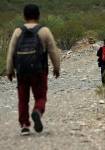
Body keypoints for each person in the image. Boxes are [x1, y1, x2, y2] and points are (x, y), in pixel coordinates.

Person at [6, 4, 60, 135]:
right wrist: (56, 67)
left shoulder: (18, 31)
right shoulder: (44, 31)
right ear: (38, 15)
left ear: (24, 16)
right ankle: (37, 111)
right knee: (41, 96)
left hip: (22, 71)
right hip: (39, 71)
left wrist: (9, 70)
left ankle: (24, 125)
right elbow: (53, 51)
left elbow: (11, 51)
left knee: (23, 99)